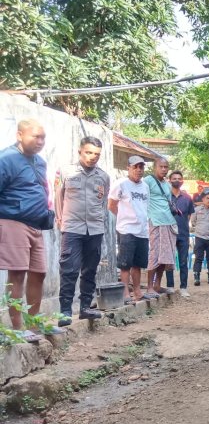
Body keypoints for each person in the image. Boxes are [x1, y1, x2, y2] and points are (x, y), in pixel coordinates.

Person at [0, 119, 52, 341]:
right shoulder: (6, 159)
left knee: (39, 274)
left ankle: (34, 324)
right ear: (20, 135)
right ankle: (17, 328)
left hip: (36, 224)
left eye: (43, 137)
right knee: (17, 274)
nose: (40, 141)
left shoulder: (39, 161)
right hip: (13, 222)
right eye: (35, 137)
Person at [55, 136, 110, 326]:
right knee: (69, 270)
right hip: (72, 228)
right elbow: (57, 198)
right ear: (80, 151)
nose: (92, 157)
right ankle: (64, 312)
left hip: (95, 229)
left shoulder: (103, 176)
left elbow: (104, 203)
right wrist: (61, 222)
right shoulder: (66, 172)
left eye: (96, 154)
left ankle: (85, 307)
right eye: (88, 152)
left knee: (90, 270)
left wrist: (100, 223)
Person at [108, 156, 152, 302]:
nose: (139, 170)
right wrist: (124, 218)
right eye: (135, 167)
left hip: (142, 230)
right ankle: (125, 292)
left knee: (138, 264)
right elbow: (111, 205)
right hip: (126, 230)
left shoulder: (145, 186)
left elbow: (145, 206)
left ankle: (138, 291)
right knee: (125, 264)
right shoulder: (121, 184)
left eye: (141, 167)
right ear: (128, 168)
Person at [144, 157, 177, 296]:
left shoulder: (167, 184)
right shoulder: (147, 181)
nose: (164, 169)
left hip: (168, 222)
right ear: (155, 167)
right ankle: (149, 287)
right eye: (161, 166)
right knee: (155, 255)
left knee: (165, 255)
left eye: (166, 167)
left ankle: (157, 285)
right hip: (155, 222)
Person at [164, 170, 195, 297]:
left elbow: (188, 216)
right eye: (174, 178)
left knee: (183, 261)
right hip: (168, 232)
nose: (177, 180)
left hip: (183, 233)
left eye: (179, 178)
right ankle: (170, 286)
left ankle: (183, 287)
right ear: (169, 180)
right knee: (168, 261)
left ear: (182, 181)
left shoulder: (187, 198)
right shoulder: (165, 196)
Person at [191, 192, 209, 285]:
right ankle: (197, 278)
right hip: (200, 237)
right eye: (207, 198)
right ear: (203, 200)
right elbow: (193, 222)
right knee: (198, 257)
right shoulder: (196, 210)